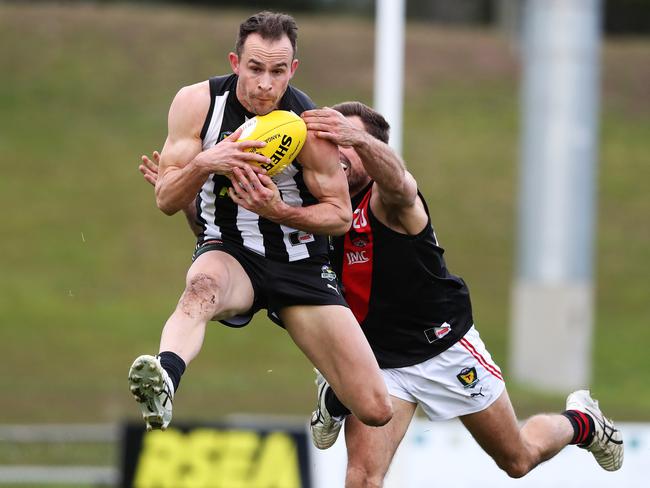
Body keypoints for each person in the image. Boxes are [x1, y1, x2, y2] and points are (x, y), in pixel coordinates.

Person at [140, 98, 623, 481]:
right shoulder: (310, 198)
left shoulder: (391, 201)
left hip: (441, 346)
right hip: (377, 363)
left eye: (349, 144)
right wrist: (188, 192)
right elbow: (226, 242)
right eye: (332, 142)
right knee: (362, 478)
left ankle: (583, 422)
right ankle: (341, 393)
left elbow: (402, 182)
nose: (339, 153)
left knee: (517, 459)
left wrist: (363, 141)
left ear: (371, 152)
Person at [128, 11, 392, 433]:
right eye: (255, 69)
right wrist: (207, 162)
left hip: (300, 261)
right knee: (200, 289)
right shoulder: (198, 104)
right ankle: (165, 380)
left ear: (293, 70)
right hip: (229, 250)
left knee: (377, 409)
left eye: (277, 71)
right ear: (235, 63)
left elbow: (340, 216)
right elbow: (166, 198)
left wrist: (278, 211)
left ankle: (332, 397)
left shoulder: (310, 125)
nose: (265, 84)